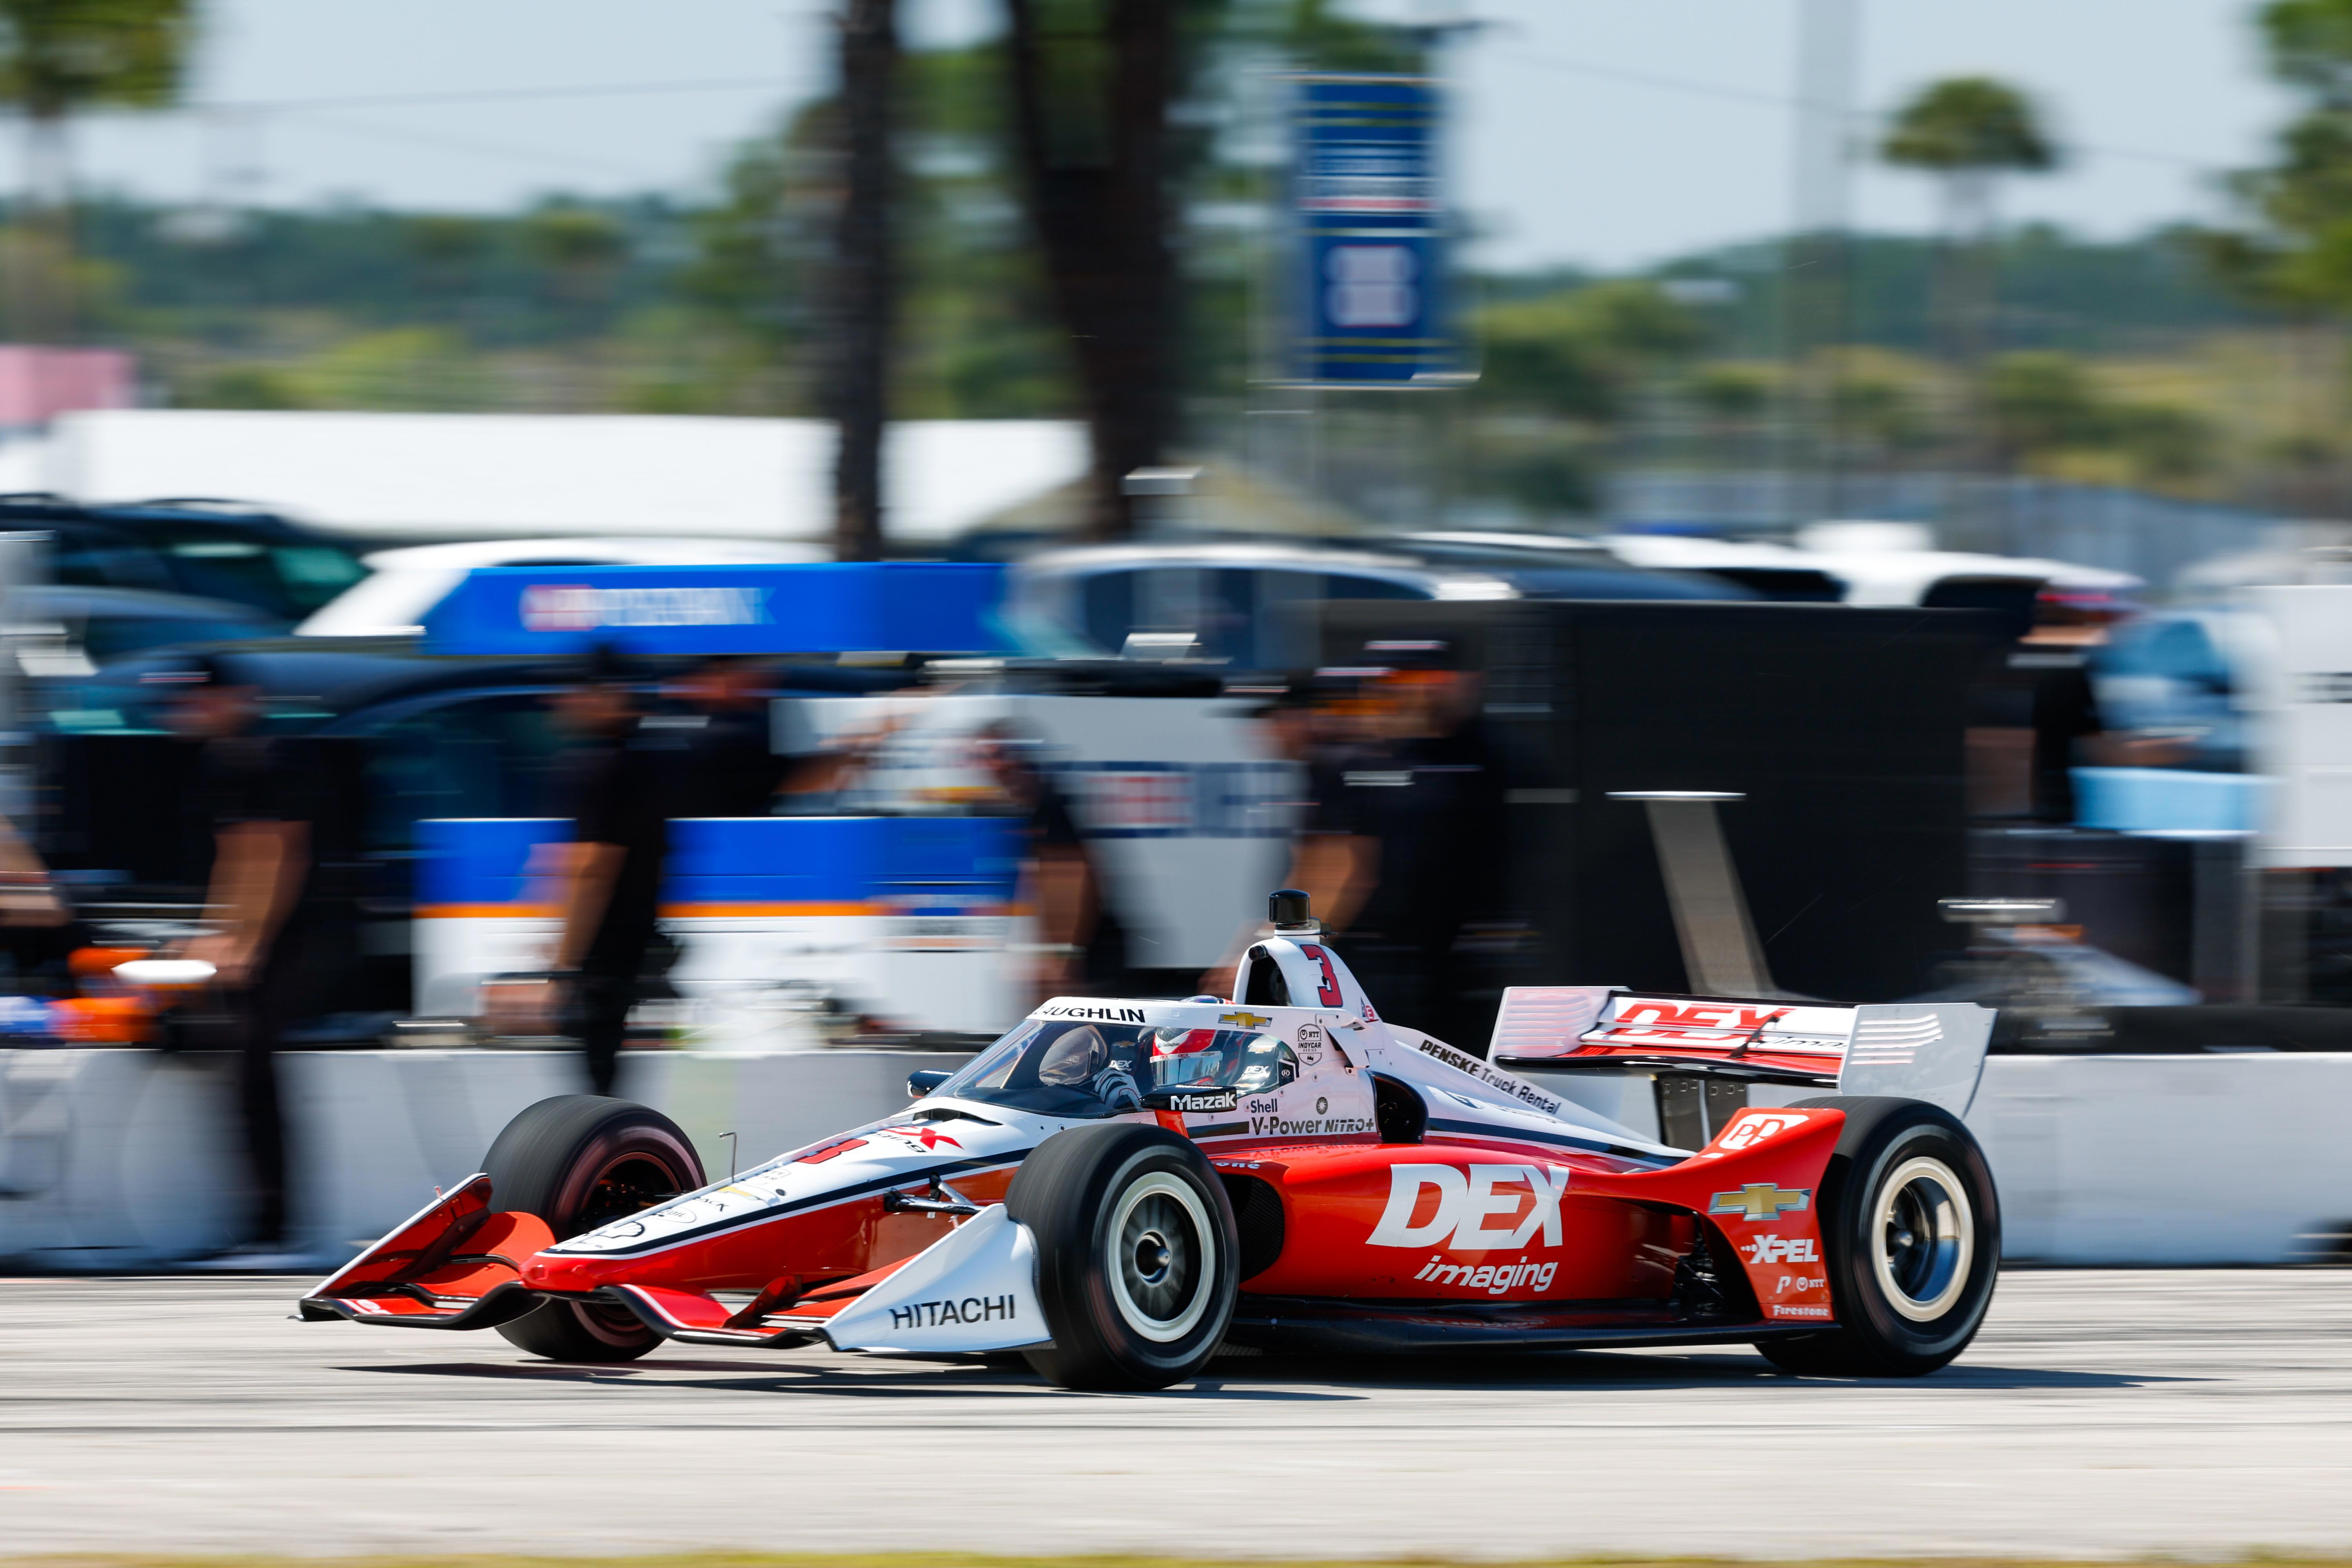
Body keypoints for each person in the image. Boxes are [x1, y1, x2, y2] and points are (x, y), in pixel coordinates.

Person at [165, 653, 359, 1264]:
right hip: (265, 936)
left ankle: (278, 1229)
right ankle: (262, 1221)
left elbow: (278, 855)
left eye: (201, 698)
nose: (188, 711)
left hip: (303, 935)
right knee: (242, 1068)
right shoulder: (221, 761)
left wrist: (244, 941)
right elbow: (236, 858)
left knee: (256, 1067)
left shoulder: (271, 756)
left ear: (239, 698)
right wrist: (212, 934)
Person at [523, 648, 670, 1096]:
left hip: (602, 960)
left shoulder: (598, 767)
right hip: (629, 949)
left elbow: (591, 870)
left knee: (598, 1083)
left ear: (609, 695)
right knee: (606, 1077)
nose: (563, 701)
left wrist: (564, 964)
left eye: (576, 690)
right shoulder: (642, 763)